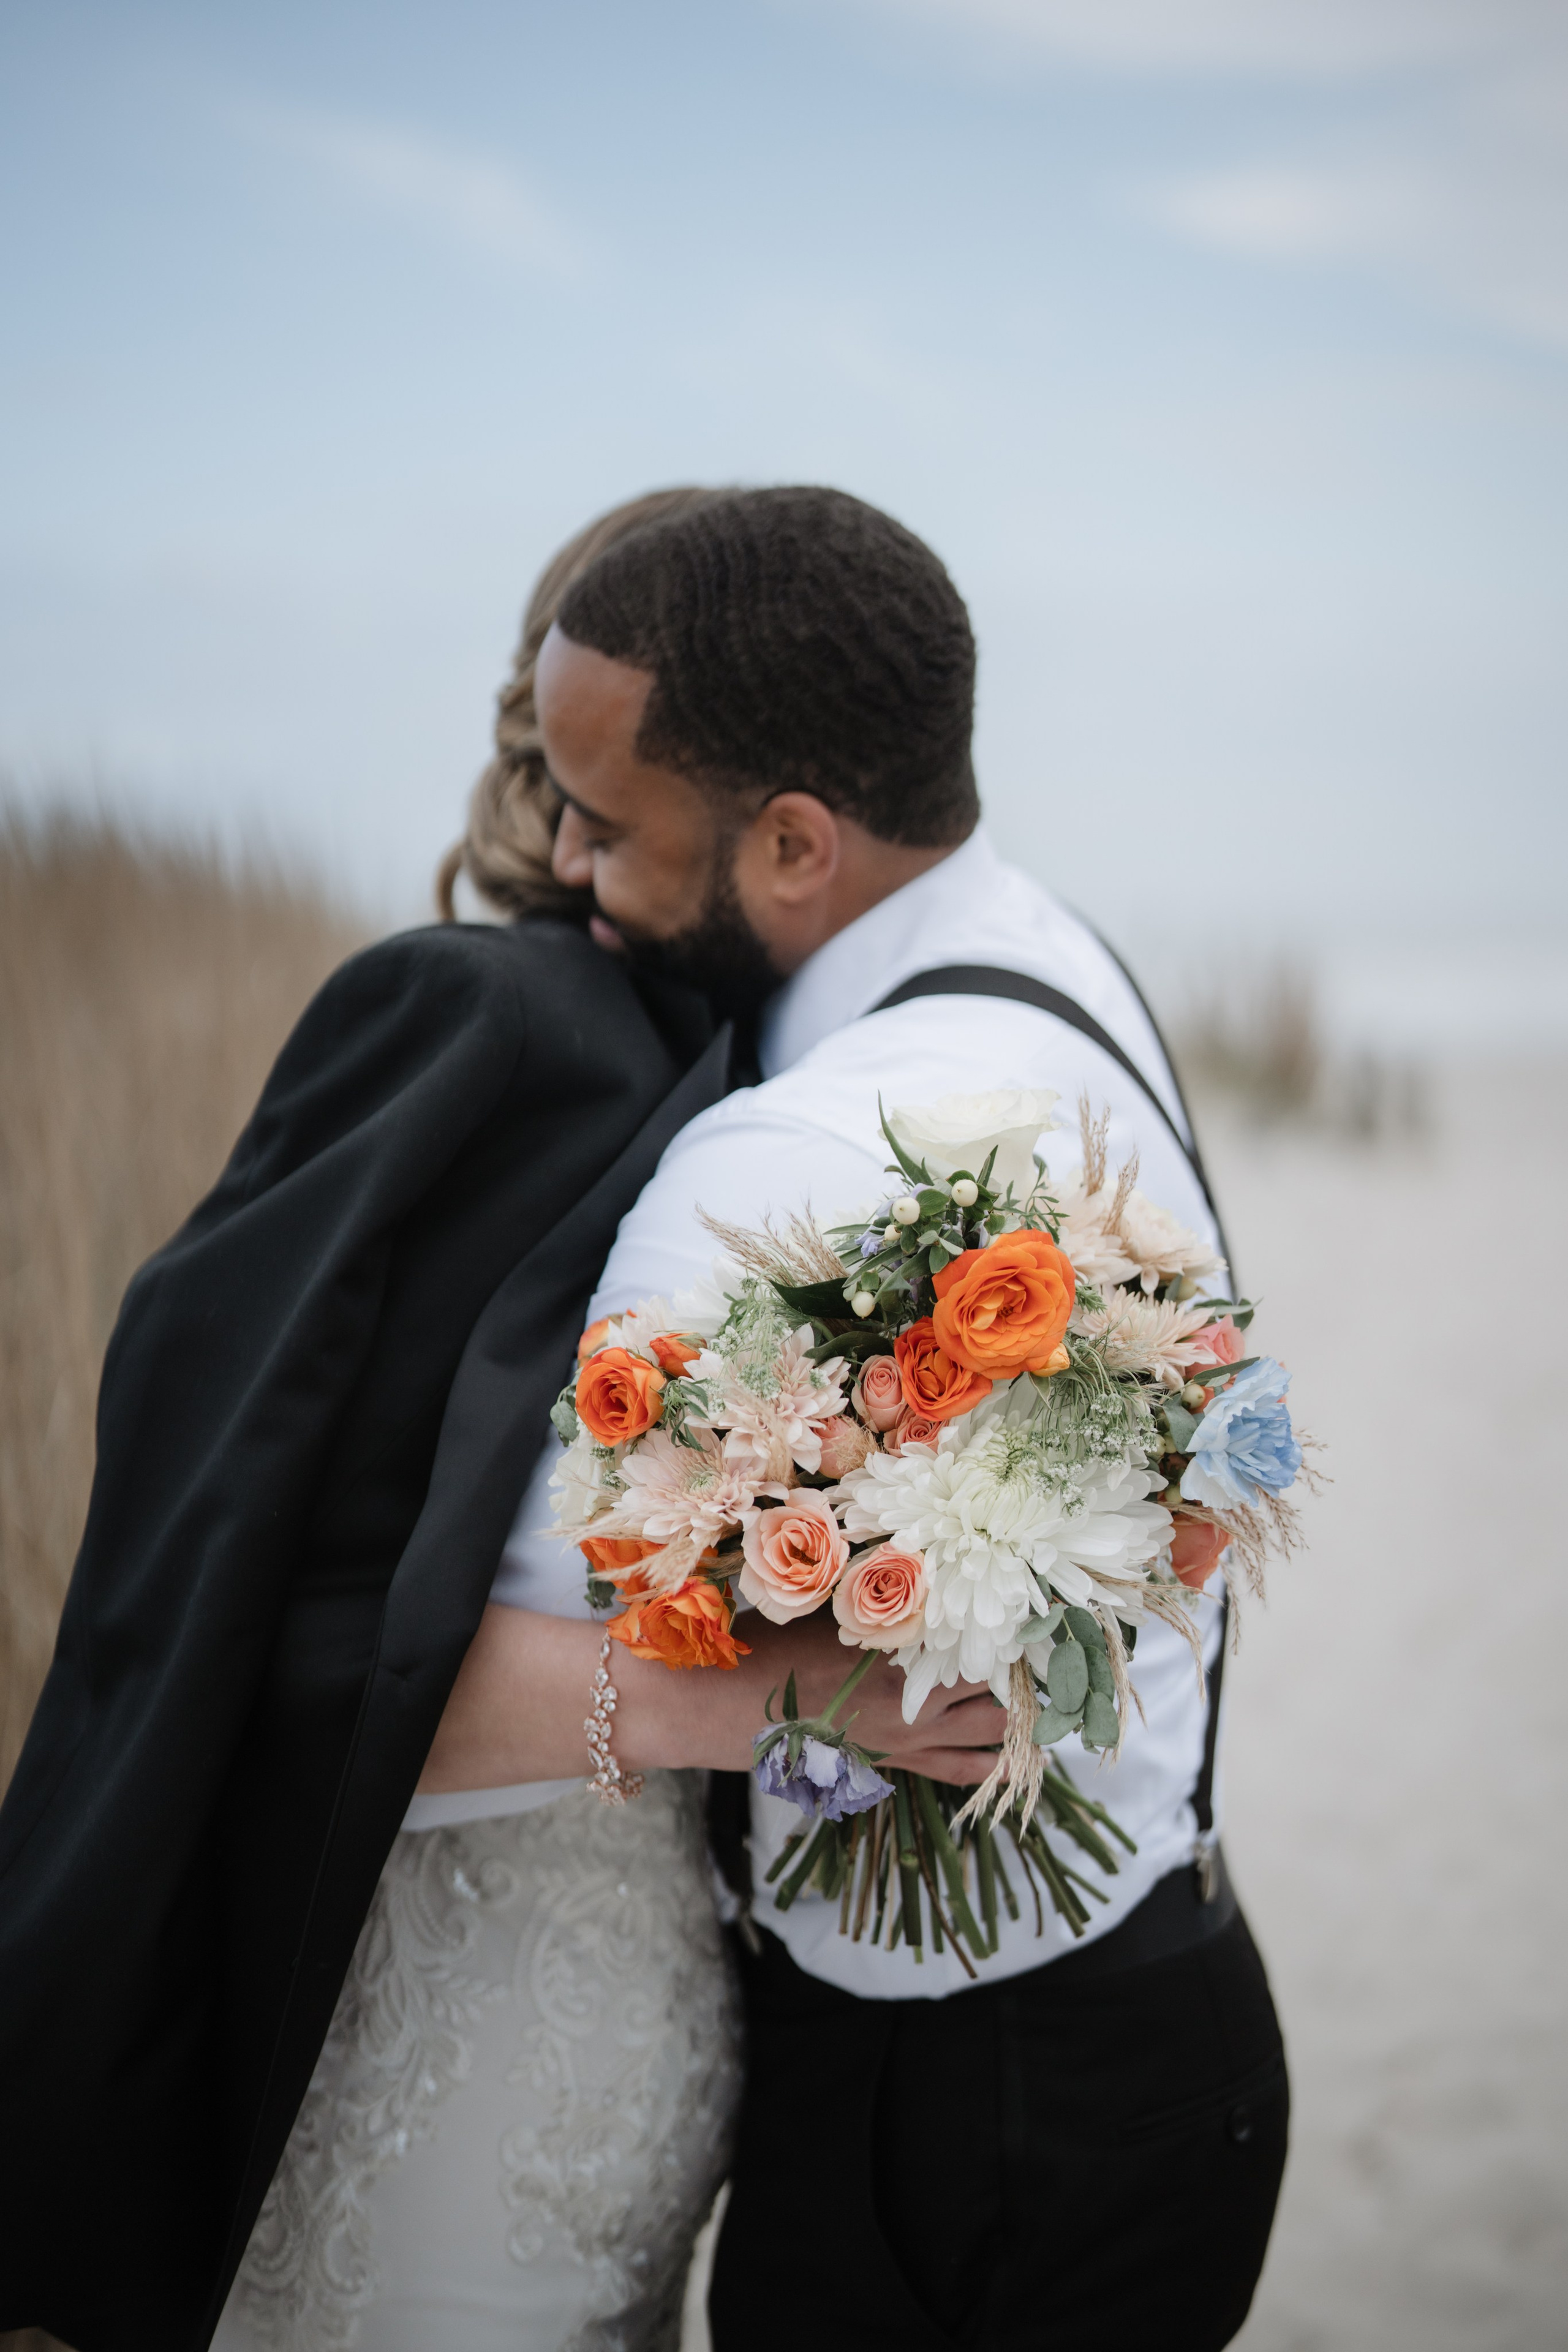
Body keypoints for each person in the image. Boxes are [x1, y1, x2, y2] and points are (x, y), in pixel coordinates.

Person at [428, 484, 1291, 2351]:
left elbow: (419, 1695)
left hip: (946, 2134)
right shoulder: (1059, 959)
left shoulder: (776, 1164)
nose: (565, 859)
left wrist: (783, 1696)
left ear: (796, 841)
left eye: (607, 825)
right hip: (1186, 2030)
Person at [0, 488, 750, 2352]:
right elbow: (217, 1554)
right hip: (449, 2022)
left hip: (615, 2035)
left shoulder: (763, 1075)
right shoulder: (468, 1022)